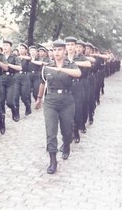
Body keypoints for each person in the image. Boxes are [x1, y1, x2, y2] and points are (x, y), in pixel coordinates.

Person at [35, 40, 81, 174]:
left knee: (67, 131)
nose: (56, 53)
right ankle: (53, 160)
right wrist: (39, 99)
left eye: (59, 50)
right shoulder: (47, 66)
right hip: (51, 101)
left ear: (65, 51)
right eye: (54, 50)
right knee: (51, 131)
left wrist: (61, 69)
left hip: (67, 100)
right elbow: (43, 83)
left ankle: (66, 145)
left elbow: (78, 73)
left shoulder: (71, 64)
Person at [0, 39, 22, 121]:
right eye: (4, 45)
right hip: (1, 79)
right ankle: (1, 121)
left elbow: (20, 68)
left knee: (9, 102)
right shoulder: (0, 56)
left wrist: (8, 64)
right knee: (1, 101)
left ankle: (14, 110)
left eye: (7, 45)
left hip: (11, 80)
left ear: (10, 47)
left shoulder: (15, 57)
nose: (5, 47)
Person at [14, 43, 32, 117]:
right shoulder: (15, 57)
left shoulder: (27, 58)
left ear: (26, 50)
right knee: (15, 96)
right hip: (16, 77)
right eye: (20, 48)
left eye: (22, 48)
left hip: (25, 77)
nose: (21, 50)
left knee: (24, 96)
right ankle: (17, 113)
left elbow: (29, 58)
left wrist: (20, 56)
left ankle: (28, 106)